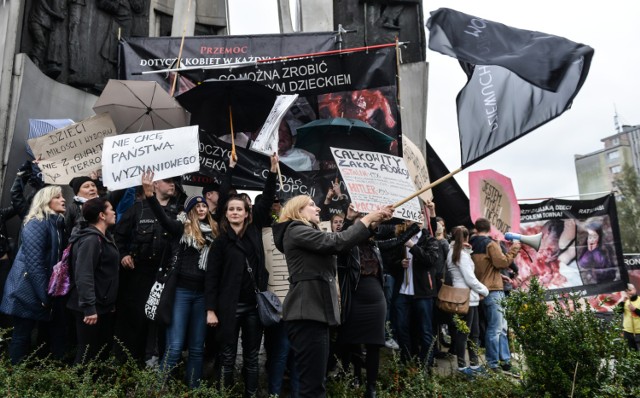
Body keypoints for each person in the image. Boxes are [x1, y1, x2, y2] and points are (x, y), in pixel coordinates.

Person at [272, 196, 393, 398]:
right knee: (312, 388)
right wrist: (367, 217)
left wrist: (373, 223)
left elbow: (344, 242)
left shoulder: (306, 232)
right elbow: (337, 242)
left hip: (315, 313)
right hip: (307, 315)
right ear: (296, 210)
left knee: (315, 383)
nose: (318, 208)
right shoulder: (295, 230)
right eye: (311, 205)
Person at [205, 154, 278, 397]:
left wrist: (273, 172)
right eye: (231, 209)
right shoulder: (220, 243)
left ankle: (250, 393)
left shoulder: (255, 231)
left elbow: (266, 200)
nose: (235, 212)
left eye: (240, 209)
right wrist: (211, 310)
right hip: (228, 308)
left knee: (250, 357)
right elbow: (212, 278)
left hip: (253, 309)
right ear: (225, 214)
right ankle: (224, 394)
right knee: (226, 357)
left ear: (247, 213)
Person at [141, 171, 219, 388]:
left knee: (196, 348)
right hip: (181, 294)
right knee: (174, 347)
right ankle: (157, 389)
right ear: (189, 209)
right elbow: (163, 219)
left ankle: (192, 390)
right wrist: (149, 196)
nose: (201, 208)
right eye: (196, 205)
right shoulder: (180, 228)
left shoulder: (214, 233)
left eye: (204, 205)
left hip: (202, 295)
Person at [338, 206, 419, 398]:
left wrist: (415, 226)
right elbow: (343, 238)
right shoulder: (348, 247)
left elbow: (398, 241)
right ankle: (356, 376)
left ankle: (371, 388)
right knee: (353, 341)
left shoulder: (375, 246)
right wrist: (350, 220)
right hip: (355, 298)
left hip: (376, 300)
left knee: (374, 344)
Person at [113, 176, 181, 363]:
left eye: (174, 181)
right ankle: (128, 364)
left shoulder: (178, 212)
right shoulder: (137, 209)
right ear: (155, 184)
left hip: (164, 276)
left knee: (159, 322)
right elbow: (117, 237)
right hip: (138, 273)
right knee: (135, 320)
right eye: (167, 180)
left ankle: (154, 364)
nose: (172, 184)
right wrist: (123, 255)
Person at [0, 186, 66, 364]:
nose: (63, 199)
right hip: (26, 290)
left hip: (38, 289)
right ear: (46, 201)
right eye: (58, 197)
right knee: (22, 336)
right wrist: (45, 295)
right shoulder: (37, 223)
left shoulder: (55, 223)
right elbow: (35, 263)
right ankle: (15, 383)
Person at [66, 197, 119, 364]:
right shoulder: (91, 240)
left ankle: (92, 387)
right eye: (111, 209)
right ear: (102, 215)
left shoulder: (103, 237)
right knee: (87, 352)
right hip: (89, 308)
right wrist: (89, 308)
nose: (114, 212)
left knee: (97, 352)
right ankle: (78, 388)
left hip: (101, 305)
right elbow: (84, 274)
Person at [469, 217, 520, 372]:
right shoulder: (490, 243)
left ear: (476, 228)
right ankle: (494, 363)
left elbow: (486, 267)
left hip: (481, 288)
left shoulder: (470, 244)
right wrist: (515, 248)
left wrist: (499, 276)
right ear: (489, 228)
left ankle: (505, 360)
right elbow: (502, 263)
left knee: (500, 327)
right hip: (493, 290)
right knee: (496, 328)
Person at [394, 218, 440, 366]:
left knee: (425, 330)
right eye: (409, 220)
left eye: (417, 219)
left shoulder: (429, 240)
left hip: (423, 292)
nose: (413, 223)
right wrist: (399, 263)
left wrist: (413, 246)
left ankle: (426, 364)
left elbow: (431, 260)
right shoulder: (400, 239)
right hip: (403, 291)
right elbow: (389, 261)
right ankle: (408, 361)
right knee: (401, 328)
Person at [446, 226, 489, 377]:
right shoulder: (461, 255)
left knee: (470, 333)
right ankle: (465, 367)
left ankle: (473, 365)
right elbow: (470, 279)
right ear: (466, 238)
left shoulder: (454, 252)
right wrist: (484, 290)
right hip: (466, 298)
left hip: (464, 297)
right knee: (466, 334)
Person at [618, 283, 640, 351]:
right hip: (628, 332)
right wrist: (622, 302)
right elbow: (618, 312)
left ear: (635, 290)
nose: (628, 292)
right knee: (632, 352)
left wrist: (635, 310)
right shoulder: (624, 301)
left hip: (639, 331)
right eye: (626, 291)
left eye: (630, 290)